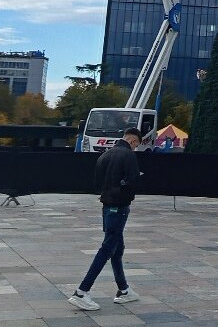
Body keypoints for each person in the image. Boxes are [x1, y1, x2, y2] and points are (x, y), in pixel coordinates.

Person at [69, 127, 143, 311]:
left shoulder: (105, 155)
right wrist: (123, 188)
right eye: (136, 146)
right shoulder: (128, 156)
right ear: (133, 141)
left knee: (116, 247)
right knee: (108, 247)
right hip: (120, 207)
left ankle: (124, 289)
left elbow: (96, 183)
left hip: (107, 206)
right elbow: (133, 181)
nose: (135, 149)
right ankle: (81, 291)